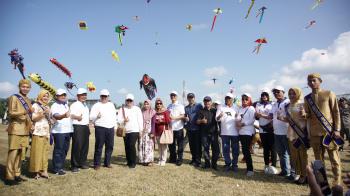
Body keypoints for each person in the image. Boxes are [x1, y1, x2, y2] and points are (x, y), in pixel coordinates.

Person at [304, 73, 342, 186]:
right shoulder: (307, 98)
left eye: (314, 80)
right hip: (315, 133)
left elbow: (336, 112)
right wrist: (304, 114)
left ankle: (337, 181)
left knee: (334, 158)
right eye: (309, 81)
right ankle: (322, 182)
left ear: (320, 81)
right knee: (318, 161)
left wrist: (337, 129)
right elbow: (308, 115)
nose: (312, 83)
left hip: (329, 132)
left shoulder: (329, 93)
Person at [5, 79, 33, 185]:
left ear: (30, 88)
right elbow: (11, 112)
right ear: (19, 87)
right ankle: (9, 177)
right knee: (13, 153)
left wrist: (31, 125)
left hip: (25, 130)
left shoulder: (29, 100)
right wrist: (26, 111)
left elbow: (28, 116)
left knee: (21, 154)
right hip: (16, 129)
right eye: (23, 87)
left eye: (27, 87)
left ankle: (17, 174)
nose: (25, 89)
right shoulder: (14, 97)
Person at [285, 87, 308, 184]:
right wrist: (282, 118)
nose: (291, 95)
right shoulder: (288, 105)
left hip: (300, 133)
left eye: (293, 93)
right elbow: (289, 119)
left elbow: (308, 117)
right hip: (291, 132)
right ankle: (299, 174)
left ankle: (305, 176)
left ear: (298, 94)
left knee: (302, 155)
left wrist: (305, 115)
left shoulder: (302, 104)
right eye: (290, 93)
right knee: (294, 156)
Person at [90, 89, 117, 170]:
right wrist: (96, 116)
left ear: (108, 97)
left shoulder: (111, 105)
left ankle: (107, 163)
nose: (104, 97)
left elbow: (114, 117)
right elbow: (91, 117)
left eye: (106, 96)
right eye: (103, 96)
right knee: (99, 146)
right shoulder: (96, 105)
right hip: (100, 128)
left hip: (110, 128)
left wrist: (115, 127)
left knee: (110, 146)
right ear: (100, 96)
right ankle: (97, 164)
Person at [269, 86, 291, 177]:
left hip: (286, 131)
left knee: (290, 153)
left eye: (278, 92)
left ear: (283, 92)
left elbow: (291, 117)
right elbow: (270, 115)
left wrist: (281, 118)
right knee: (281, 153)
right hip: (277, 132)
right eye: (274, 92)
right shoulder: (274, 104)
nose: (276, 94)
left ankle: (292, 172)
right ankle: (284, 171)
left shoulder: (288, 102)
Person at [29, 90, 51, 179]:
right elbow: (33, 118)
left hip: (46, 132)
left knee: (45, 152)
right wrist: (43, 114)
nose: (45, 98)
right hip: (38, 131)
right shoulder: (35, 105)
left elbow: (49, 119)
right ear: (40, 96)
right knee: (37, 152)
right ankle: (36, 172)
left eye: (47, 96)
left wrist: (51, 120)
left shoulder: (48, 107)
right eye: (44, 96)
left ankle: (44, 170)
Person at [50, 89, 73, 175]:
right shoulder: (54, 105)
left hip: (68, 130)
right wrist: (63, 115)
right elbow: (56, 116)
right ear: (56, 96)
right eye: (61, 95)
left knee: (65, 150)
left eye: (64, 95)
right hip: (59, 131)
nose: (63, 96)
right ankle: (56, 169)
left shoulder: (66, 105)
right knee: (59, 150)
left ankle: (61, 166)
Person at [118, 94, 143, 169]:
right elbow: (118, 120)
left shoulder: (137, 109)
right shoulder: (121, 109)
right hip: (125, 131)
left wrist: (140, 130)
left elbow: (140, 120)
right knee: (127, 146)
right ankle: (129, 161)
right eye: (128, 100)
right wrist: (123, 120)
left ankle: (133, 162)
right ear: (125, 101)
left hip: (134, 130)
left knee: (131, 145)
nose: (129, 102)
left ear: (133, 101)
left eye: (130, 100)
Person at [216, 93, 239, 172]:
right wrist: (219, 116)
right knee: (226, 149)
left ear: (232, 99)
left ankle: (235, 164)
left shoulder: (236, 107)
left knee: (235, 149)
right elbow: (217, 118)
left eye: (229, 98)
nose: (227, 100)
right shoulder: (220, 107)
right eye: (226, 98)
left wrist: (237, 117)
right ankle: (227, 164)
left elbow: (240, 118)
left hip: (235, 132)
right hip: (224, 132)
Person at [255, 90, 277, 173]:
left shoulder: (272, 104)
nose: (264, 96)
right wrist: (262, 116)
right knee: (265, 148)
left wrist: (261, 115)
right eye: (262, 95)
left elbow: (271, 116)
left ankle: (274, 166)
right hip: (262, 129)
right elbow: (256, 115)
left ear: (268, 96)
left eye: (265, 95)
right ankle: (266, 165)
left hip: (270, 129)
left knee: (273, 148)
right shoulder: (258, 104)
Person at [70, 88, 90, 172]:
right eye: (82, 95)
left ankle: (82, 163)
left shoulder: (85, 105)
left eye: (85, 95)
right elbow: (70, 115)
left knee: (85, 146)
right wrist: (77, 117)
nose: (84, 96)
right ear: (78, 96)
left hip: (85, 126)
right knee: (77, 146)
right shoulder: (75, 104)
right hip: (77, 126)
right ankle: (74, 165)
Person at [196, 96, 219, 170]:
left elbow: (220, 119)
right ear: (204, 102)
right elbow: (197, 121)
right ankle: (207, 164)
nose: (207, 103)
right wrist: (201, 121)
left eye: (208, 101)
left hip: (214, 133)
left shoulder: (215, 111)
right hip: (204, 133)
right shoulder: (201, 111)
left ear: (211, 102)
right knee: (205, 149)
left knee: (216, 149)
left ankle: (214, 164)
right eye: (205, 101)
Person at [236, 93, 256, 176]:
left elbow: (252, 120)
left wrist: (242, 124)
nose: (244, 101)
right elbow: (237, 118)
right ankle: (249, 168)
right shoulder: (240, 109)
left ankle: (250, 169)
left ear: (249, 100)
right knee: (244, 150)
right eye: (243, 99)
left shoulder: (251, 108)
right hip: (241, 132)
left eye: (246, 99)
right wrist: (237, 121)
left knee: (246, 150)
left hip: (248, 132)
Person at [167, 91, 186, 166]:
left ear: (177, 96)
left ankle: (180, 159)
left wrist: (174, 118)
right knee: (171, 145)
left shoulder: (180, 106)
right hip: (171, 128)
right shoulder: (169, 106)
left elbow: (183, 116)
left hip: (179, 128)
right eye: (171, 95)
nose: (172, 97)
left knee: (180, 145)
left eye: (174, 95)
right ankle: (173, 158)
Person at [184, 93, 203, 167]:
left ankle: (198, 161)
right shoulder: (186, 108)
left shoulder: (199, 105)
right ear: (187, 98)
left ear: (194, 98)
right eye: (189, 97)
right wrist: (186, 120)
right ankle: (193, 159)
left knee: (197, 146)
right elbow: (185, 117)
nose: (190, 99)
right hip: (189, 129)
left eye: (192, 97)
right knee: (191, 146)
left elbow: (202, 114)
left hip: (197, 129)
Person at [151, 98, 171, 166]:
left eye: (160, 103)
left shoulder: (165, 111)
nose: (159, 105)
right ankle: (160, 159)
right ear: (156, 105)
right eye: (157, 103)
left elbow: (168, 121)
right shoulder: (154, 112)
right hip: (157, 131)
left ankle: (163, 160)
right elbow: (153, 122)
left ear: (162, 104)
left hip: (164, 131)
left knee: (164, 147)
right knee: (159, 147)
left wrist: (162, 121)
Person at [139, 99, 155, 166]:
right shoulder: (141, 111)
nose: (146, 105)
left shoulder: (153, 112)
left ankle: (149, 160)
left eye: (147, 104)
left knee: (149, 146)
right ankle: (142, 160)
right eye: (145, 104)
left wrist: (152, 132)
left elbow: (154, 123)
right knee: (142, 145)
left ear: (150, 104)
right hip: (142, 131)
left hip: (149, 131)